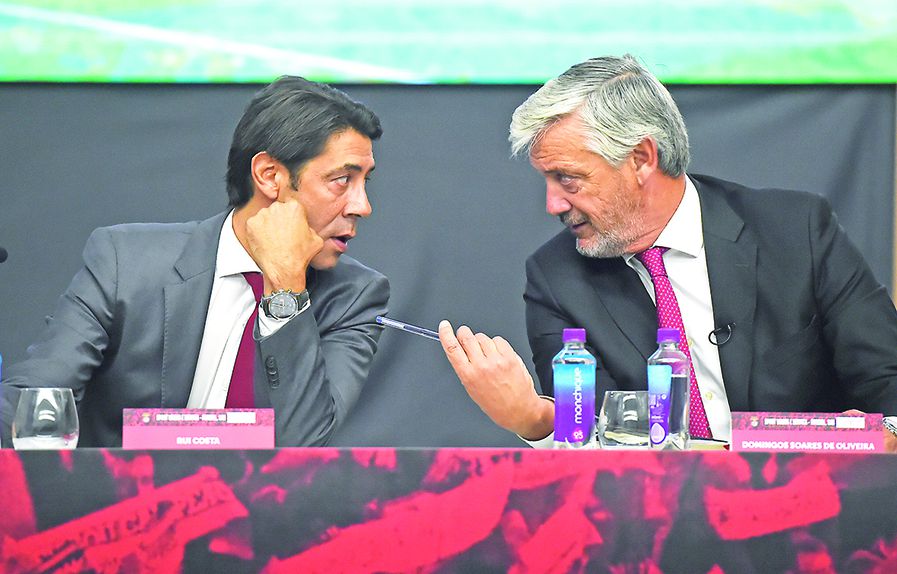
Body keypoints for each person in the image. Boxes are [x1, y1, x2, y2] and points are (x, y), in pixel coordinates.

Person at [437, 54, 897, 451]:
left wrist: (887, 434)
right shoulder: (556, 278)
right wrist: (536, 419)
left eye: (568, 179)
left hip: (811, 501)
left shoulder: (796, 231)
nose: (553, 204)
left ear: (641, 158)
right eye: (548, 181)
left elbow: (888, 379)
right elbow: (591, 438)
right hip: (657, 511)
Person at [1, 77, 389, 447]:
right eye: (342, 180)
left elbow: (305, 447)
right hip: (123, 492)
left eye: (365, 182)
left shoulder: (354, 297)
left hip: (265, 496)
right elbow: (34, 403)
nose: (362, 206)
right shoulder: (126, 263)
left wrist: (286, 287)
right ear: (269, 175)